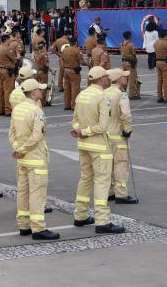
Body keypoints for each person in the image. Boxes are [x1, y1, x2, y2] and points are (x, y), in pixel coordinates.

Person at [71, 66, 125, 235]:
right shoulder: (102, 97)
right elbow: (102, 126)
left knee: (85, 179)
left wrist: (79, 131)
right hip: (99, 146)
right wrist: (86, 132)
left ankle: (80, 215)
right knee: (102, 182)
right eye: (106, 77)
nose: (108, 79)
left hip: (83, 145)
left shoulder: (82, 94)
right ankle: (102, 221)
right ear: (101, 79)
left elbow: (74, 120)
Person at [10, 79, 59, 240]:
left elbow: (12, 133)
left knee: (23, 192)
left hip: (22, 159)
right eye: (39, 89)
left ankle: (24, 225)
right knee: (37, 194)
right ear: (33, 92)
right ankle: (38, 228)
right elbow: (37, 135)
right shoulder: (36, 111)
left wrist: (17, 148)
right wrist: (23, 149)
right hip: (35, 158)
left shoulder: (18, 108)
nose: (41, 91)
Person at [104, 69, 137, 205]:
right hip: (118, 134)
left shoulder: (103, 92)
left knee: (108, 165)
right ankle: (121, 194)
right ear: (118, 79)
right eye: (123, 76)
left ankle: (110, 192)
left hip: (105, 135)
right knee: (121, 165)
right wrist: (127, 130)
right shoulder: (121, 94)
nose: (125, 78)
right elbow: (126, 114)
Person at [154, 30, 167, 103]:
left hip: (158, 62)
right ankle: (166, 97)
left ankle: (159, 97)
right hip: (165, 63)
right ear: (165, 35)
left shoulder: (156, 43)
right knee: (166, 81)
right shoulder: (166, 43)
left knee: (160, 80)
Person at [61, 42, 82, 110]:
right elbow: (81, 61)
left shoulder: (65, 50)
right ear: (75, 43)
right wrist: (88, 64)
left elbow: (62, 60)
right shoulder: (76, 51)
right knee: (75, 89)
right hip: (74, 71)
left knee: (67, 88)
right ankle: (74, 105)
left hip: (66, 70)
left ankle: (66, 105)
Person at [119, 32, 141, 100]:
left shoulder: (121, 44)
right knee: (132, 79)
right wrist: (135, 61)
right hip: (130, 63)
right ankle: (132, 94)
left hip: (124, 62)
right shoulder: (131, 45)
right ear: (129, 36)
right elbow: (133, 54)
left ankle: (122, 93)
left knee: (124, 79)